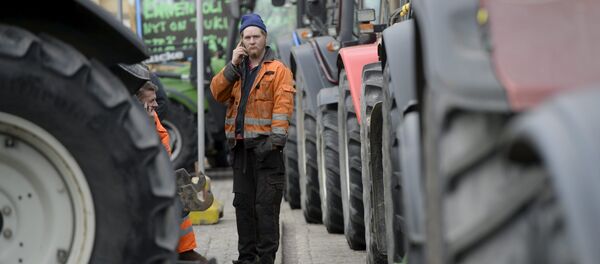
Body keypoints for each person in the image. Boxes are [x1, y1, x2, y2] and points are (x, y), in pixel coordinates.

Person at [210, 13, 295, 264]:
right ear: (241, 42)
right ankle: (246, 259)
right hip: (241, 152)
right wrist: (231, 65)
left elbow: (283, 107)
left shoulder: (278, 71)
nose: (251, 41)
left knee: (265, 210)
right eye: (247, 37)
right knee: (243, 208)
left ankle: (266, 259)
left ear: (264, 38)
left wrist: (274, 143)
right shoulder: (237, 71)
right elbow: (216, 92)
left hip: (267, 152)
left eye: (256, 36)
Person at [135, 81, 215, 264]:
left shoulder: (150, 115)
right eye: (152, 100)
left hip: (157, 169)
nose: (157, 104)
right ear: (140, 102)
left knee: (180, 197)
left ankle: (185, 250)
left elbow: (162, 144)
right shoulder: (137, 119)